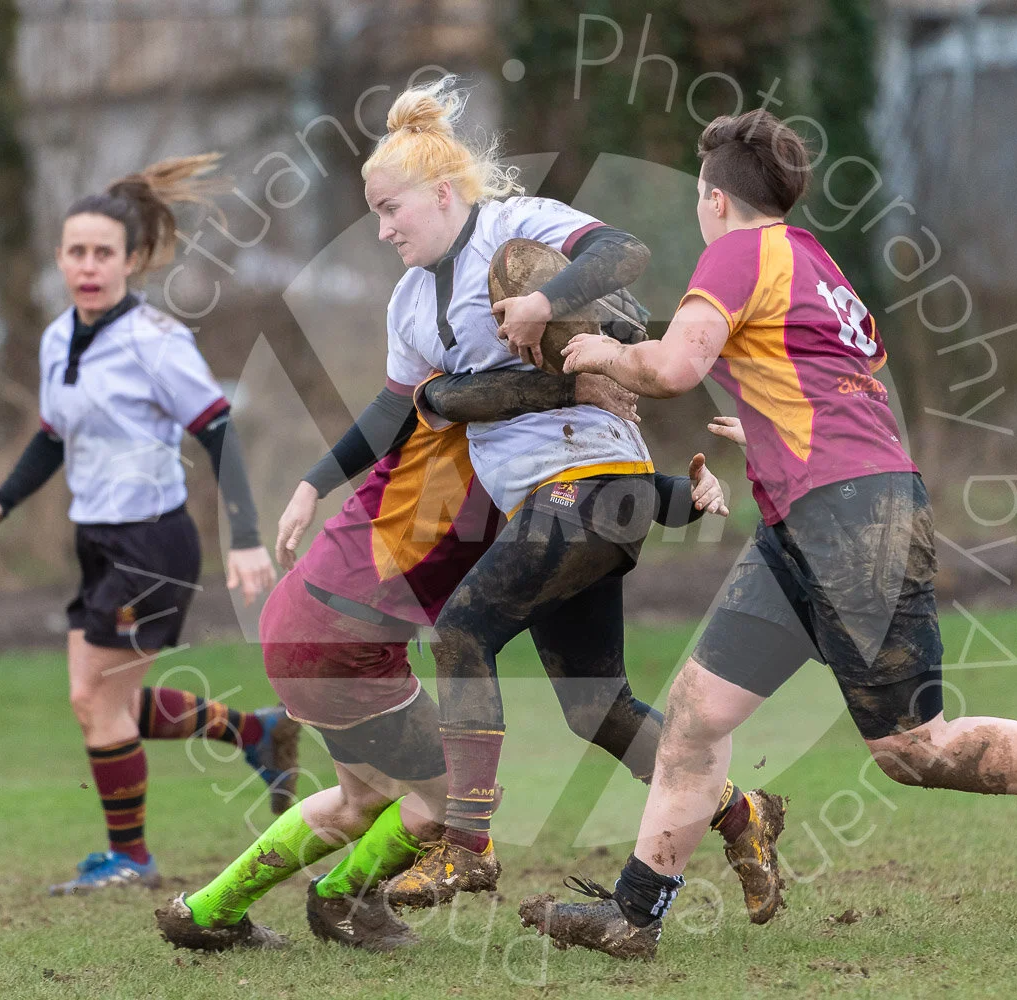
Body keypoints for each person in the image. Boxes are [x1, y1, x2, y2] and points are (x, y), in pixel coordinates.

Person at [520, 109, 1017, 959]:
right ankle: (634, 915)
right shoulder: (813, 260)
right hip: (811, 524)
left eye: (697, 197)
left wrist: (603, 357)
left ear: (715, 200)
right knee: (693, 715)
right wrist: (763, 429)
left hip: (853, 523)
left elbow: (676, 366)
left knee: (911, 748)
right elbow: (842, 385)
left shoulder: (738, 251)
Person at [270, 78, 785, 924]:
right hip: (562, 505)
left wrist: (546, 302)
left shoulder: (513, 228)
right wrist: (310, 483)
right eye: (373, 214)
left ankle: (466, 845)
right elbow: (395, 410)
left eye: (392, 207)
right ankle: (743, 813)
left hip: (587, 484)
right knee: (597, 709)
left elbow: (623, 253)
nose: (384, 227)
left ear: (443, 193)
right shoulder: (407, 303)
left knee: (465, 629)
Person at [154, 362, 730, 953]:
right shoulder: (480, 403)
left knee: (363, 801)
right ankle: (342, 900)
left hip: (310, 619)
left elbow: (607, 485)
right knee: (459, 800)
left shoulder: (521, 434)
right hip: (344, 641)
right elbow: (438, 395)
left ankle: (208, 910)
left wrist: (692, 493)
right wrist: (586, 380)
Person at [0, 155, 298, 895]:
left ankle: (132, 859)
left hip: (152, 541)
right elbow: (53, 437)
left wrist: (242, 537)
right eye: (76, 252)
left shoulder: (155, 340)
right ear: (60, 258)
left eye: (103, 253)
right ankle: (256, 733)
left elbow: (219, 432)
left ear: (132, 260)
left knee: (96, 702)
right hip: (97, 539)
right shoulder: (56, 339)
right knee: (103, 701)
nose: (88, 265)